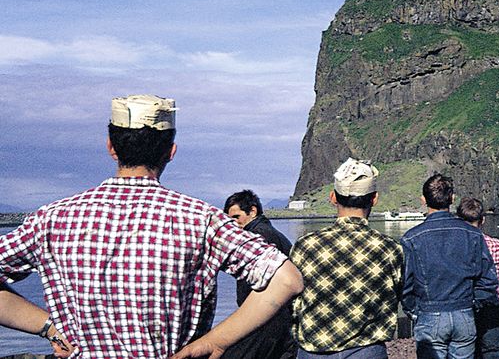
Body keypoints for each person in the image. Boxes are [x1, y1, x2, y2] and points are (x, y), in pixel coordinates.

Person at [0, 94, 303, 359]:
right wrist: (216, 341)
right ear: (171, 151)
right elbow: (287, 280)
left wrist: (49, 327)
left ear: (111, 147)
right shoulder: (201, 219)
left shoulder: (51, 219)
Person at [290, 158, 403, 359]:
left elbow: (291, 298)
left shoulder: (305, 245)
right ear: (374, 199)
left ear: (333, 197)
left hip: (313, 350)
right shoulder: (390, 248)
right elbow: (399, 294)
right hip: (367, 350)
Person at [401, 174, 498, 359]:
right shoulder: (472, 234)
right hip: (464, 312)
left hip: (430, 313)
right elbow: (488, 280)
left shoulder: (411, 238)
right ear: (452, 198)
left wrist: (415, 311)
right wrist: (472, 304)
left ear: (423, 200)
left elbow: (405, 285)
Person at [222, 189, 296, 359]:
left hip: (267, 319)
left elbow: (253, 287)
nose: (233, 224)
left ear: (252, 211)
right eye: (230, 220)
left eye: (236, 217)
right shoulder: (267, 232)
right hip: (278, 318)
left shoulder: (257, 237)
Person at [456, 197, 499, 359]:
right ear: (483, 220)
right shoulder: (497, 245)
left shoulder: (455, 248)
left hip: (463, 309)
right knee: (494, 351)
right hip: (492, 308)